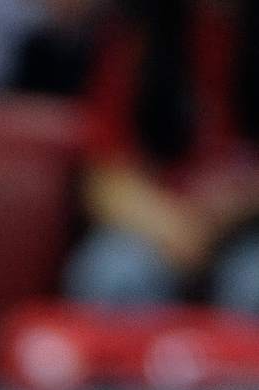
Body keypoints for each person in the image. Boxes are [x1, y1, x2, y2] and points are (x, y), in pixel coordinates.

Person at [65, 0, 259, 318]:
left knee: (253, 282)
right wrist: (171, 226)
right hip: (158, 220)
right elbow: (103, 173)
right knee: (113, 272)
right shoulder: (135, 34)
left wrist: (234, 207)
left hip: (247, 229)